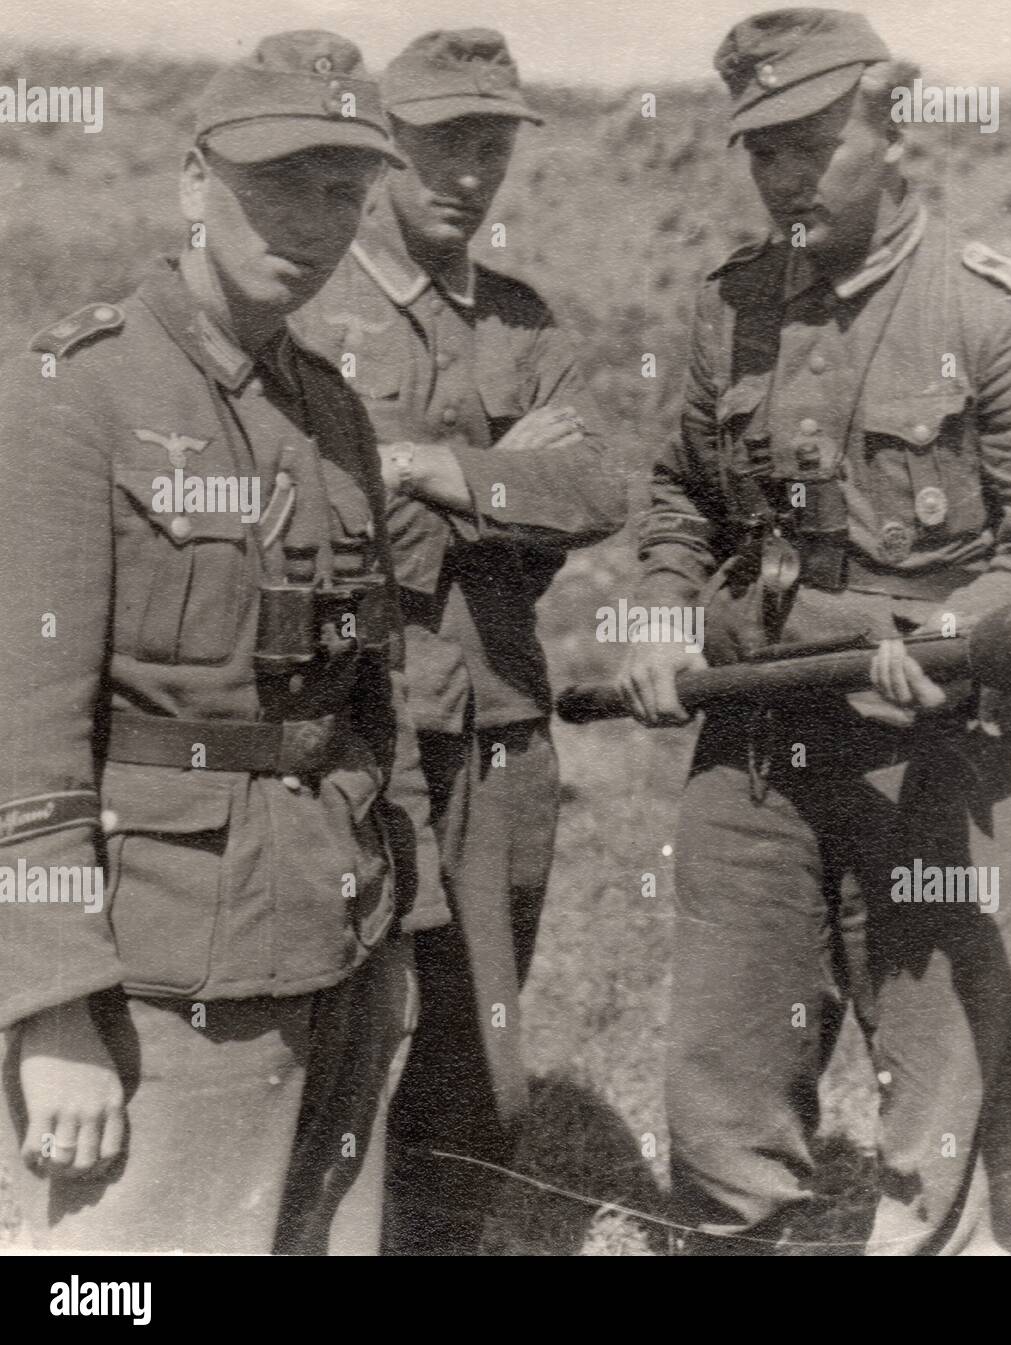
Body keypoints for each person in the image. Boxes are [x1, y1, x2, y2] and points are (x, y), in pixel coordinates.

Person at [619, 7, 1011, 1254]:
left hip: (930, 747)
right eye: (762, 152)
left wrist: (954, 635)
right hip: (752, 738)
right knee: (723, 1071)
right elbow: (681, 489)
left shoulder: (999, 317)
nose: (785, 177)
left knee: (940, 1082)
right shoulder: (728, 305)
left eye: (810, 143)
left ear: (891, 127)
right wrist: (657, 610)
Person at [0, 30, 444, 1255]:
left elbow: (375, 691)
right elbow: (19, 733)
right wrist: (50, 1010)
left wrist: (400, 932)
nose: (314, 220)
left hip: (336, 936)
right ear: (195, 179)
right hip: (156, 978)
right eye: (282, 179)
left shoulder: (335, 409)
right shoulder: (73, 391)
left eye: (345, 192)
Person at [294, 28, 626, 1255]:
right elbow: (302, 502)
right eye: (442, 143)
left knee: (474, 1035)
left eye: (491, 146)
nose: (467, 173)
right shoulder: (307, 302)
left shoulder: (524, 323)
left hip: (494, 725)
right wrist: (497, 483)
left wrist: (431, 469)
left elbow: (596, 489)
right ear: (385, 146)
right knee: (336, 1013)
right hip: (353, 712)